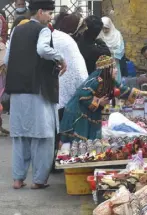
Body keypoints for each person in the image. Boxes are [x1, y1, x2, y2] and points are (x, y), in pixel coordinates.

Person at [4, 0, 67, 189]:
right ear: (40, 12)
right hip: (37, 90)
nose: (50, 17)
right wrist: (60, 58)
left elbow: (7, 59)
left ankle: (18, 179)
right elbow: (42, 49)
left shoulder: (17, 30)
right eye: (48, 13)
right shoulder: (43, 30)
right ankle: (39, 181)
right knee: (43, 136)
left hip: (17, 90)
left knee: (20, 136)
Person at [60, 55, 147, 142]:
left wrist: (145, 93)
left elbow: (125, 90)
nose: (116, 71)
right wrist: (99, 102)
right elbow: (82, 96)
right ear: (107, 70)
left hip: (89, 113)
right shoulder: (96, 81)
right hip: (78, 113)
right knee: (80, 141)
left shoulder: (110, 82)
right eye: (114, 68)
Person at [52, 13, 88, 160]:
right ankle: (60, 159)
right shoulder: (68, 42)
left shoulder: (53, 36)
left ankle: (51, 160)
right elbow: (79, 71)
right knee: (64, 129)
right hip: (66, 94)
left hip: (52, 90)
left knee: (54, 129)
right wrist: (86, 89)